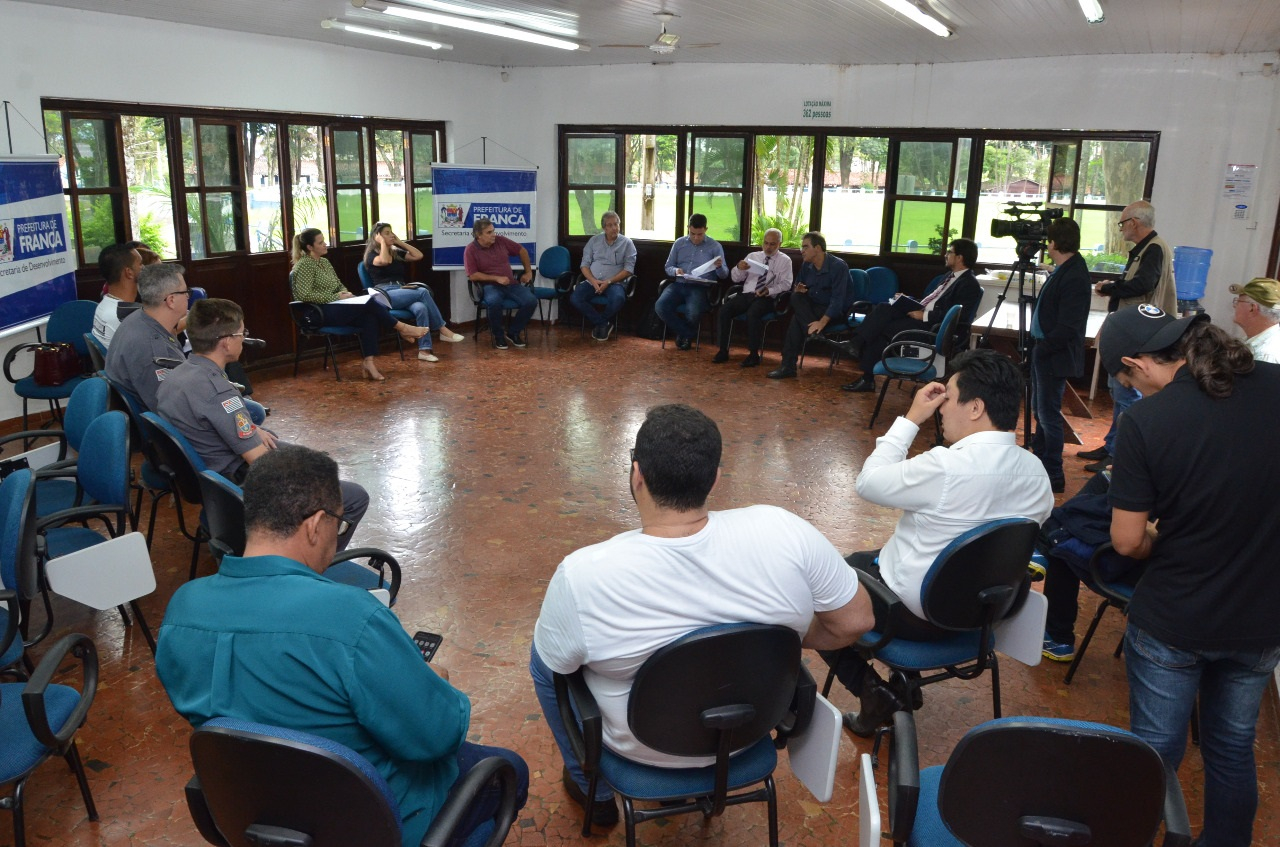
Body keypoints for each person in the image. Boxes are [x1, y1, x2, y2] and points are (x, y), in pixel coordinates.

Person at [155, 444, 528, 847]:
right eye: (339, 522)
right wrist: (431, 681)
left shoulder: (182, 609)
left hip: (257, 814)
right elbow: (437, 737)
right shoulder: (351, 617)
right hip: (377, 824)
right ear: (316, 525)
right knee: (510, 769)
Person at [529, 404, 873, 826]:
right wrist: (785, 637)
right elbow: (856, 621)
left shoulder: (583, 575)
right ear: (714, 479)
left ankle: (593, 790)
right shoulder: (786, 531)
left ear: (637, 475)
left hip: (640, 750)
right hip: (746, 736)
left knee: (546, 663)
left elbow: (553, 668)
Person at [1097, 304, 1280, 847]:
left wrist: (1159, 534)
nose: (1134, 392)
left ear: (1138, 364)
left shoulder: (1148, 422)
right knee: (1232, 745)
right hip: (1263, 616)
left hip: (1176, 618)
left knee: (1154, 750)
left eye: (1128, 381)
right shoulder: (1274, 383)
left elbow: (1127, 541)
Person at [819, 349, 1054, 734]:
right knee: (866, 560)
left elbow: (868, 482)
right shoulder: (1036, 473)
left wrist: (912, 418)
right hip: (986, 616)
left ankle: (871, 691)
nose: (941, 408)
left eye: (949, 397)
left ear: (975, 407)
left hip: (913, 617)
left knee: (819, 586)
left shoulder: (944, 467)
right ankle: (898, 686)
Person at [155, 297, 368, 550]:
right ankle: (313, 561)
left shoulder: (176, 375)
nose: (243, 338)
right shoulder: (220, 392)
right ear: (226, 342)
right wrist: (305, 474)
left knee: (291, 448)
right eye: (241, 333)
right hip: (239, 481)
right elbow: (259, 461)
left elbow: (212, 420)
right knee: (354, 496)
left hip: (211, 475)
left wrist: (253, 429)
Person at [1078, 201, 1177, 471]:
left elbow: (1143, 284)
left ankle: (1119, 454)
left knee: (1127, 393)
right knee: (1118, 389)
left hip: (1141, 335)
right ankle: (1112, 445)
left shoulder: (1154, 248)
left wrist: (1110, 288)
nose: (1121, 228)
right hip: (1133, 330)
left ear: (1134, 222)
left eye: (1122, 223)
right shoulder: (1147, 248)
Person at [840, 238, 983, 392]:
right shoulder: (949, 276)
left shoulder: (969, 284)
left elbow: (957, 317)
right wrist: (908, 299)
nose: (946, 255)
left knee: (881, 328)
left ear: (960, 258)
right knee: (884, 307)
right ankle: (858, 347)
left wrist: (924, 316)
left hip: (932, 327)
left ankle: (863, 366)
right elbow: (931, 300)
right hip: (923, 316)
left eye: (949, 252)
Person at [290, 228, 428, 381]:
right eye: (321, 242)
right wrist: (335, 296)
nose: (325, 244)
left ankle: (369, 362)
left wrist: (346, 294)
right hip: (317, 312)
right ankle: (403, 328)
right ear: (310, 247)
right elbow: (303, 295)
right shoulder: (304, 265)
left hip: (336, 306)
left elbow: (338, 285)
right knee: (370, 302)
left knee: (369, 316)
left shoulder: (324, 262)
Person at [1028, 217, 1092, 493]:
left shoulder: (1075, 275)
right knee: (1040, 411)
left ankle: (1053, 473)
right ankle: (1040, 461)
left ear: (1054, 243)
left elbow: (1068, 325)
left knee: (1048, 415)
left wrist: (1044, 348)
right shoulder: (1067, 268)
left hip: (1054, 354)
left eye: (1048, 240)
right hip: (1047, 350)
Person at [363, 222, 465, 362]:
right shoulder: (371, 255)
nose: (391, 235)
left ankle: (424, 350)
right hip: (384, 294)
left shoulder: (395, 252)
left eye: (391, 232)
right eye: (387, 233)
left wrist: (399, 242)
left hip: (401, 290)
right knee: (422, 292)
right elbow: (385, 261)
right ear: (377, 236)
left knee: (421, 307)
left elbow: (418, 255)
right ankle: (442, 328)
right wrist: (382, 243)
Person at [105, 262, 191, 412]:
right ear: (171, 300)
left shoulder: (137, 317)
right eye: (185, 292)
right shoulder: (157, 353)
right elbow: (174, 411)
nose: (188, 296)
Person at [767, 232, 849, 379]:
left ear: (817, 248)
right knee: (796, 297)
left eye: (805, 247)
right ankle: (813, 335)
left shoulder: (838, 266)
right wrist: (798, 289)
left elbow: (838, 300)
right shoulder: (807, 265)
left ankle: (788, 366)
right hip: (811, 308)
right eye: (802, 247)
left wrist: (821, 322)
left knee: (796, 320)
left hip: (832, 312)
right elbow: (797, 287)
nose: (802, 251)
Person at [712, 227, 793, 366]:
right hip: (747, 294)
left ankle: (753, 354)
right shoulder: (752, 256)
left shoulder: (785, 260)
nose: (768, 247)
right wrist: (739, 268)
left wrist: (769, 290)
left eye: (772, 244)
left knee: (753, 313)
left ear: (779, 244)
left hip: (767, 298)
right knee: (724, 310)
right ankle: (722, 350)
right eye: (766, 243)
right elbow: (736, 279)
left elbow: (787, 284)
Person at [654, 213, 728, 350]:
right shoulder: (679, 243)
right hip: (679, 283)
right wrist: (676, 271)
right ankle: (687, 334)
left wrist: (719, 267)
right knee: (660, 306)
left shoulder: (715, 246)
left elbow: (724, 275)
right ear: (688, 228)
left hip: (700, 286)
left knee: (693, 311)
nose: (696, 237)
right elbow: (668, 266)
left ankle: (684, 336)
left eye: (700, 234)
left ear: (706, 229)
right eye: (692, 233)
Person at [463, 217, 536, 350]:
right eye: (489, 232)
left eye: (493, 231)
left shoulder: (501, 241)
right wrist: (496, 278)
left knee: (531, 301)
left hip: (511, 284)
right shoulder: (470, 250)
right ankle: (499, 336)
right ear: (479, 235)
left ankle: (513, 333)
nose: (493, 235)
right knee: (494, 302)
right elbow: (473, 275)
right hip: (490, 286)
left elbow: (522, 251)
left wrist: (528, 272)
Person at [570, 211, 636, 342]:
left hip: (615, 283)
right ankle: (603, 323)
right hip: (592, 281)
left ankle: (601, 323)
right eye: (610, 225)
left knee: (618, 299)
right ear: (604, 228)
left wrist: (609, 282)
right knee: (575, 298)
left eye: (616, 224)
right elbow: (584, 265)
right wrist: (593, 281)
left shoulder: (627, 243)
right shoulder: (594, 241)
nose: (614, 228)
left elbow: (628, 270)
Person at [92, 242, 143, 346]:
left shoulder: (104, 305)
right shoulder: (126, 318)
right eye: (140, 264)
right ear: (129, 272)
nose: (144, 267)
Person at [1228, 277, 1280, 364]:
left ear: (1252, 308)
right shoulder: (1257, 342)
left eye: (1238, 301)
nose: (1234, 305)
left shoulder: (1265, 355)